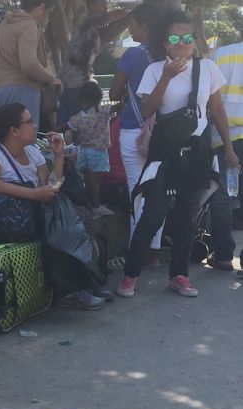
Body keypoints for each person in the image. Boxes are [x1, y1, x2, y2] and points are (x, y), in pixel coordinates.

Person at [117, 10, 240, 298]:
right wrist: (167, 76)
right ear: (165, 43)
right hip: (165, 150)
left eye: (188, 37)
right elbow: (146, 110)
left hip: (196, 150)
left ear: (196, 41)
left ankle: (179, 275)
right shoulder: (155, 70)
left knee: (187, 217)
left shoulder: (208, 68)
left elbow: (218, 111)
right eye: (175, 38)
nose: (182, 42)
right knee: (153, 214)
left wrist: (230, 148)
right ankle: (130, 274)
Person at [0, 103, 106, 309]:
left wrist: (59, 155)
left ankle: (87, 282)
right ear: (14, 130)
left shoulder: (33, 153)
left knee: (79, 216)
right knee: (58, 228)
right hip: (3, 220)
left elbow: (50, 186)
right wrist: (33, 194)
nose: (35, 126)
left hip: (27, 215)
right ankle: (70, 291)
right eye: (28, 122)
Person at [109, 2, 163, 267]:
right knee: (158, 192)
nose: (129, 29)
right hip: (162, 132)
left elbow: (115, 92)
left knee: (137, 191)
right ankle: (153, 251)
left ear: (146, 26)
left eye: (132, 24)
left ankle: (137, 249)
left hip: (134, 129)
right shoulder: (168, 54)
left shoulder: (133, 55)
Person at [0, 0, 63, 128]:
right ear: (41, 7)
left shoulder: (4, 24)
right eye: (47, 13)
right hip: (22, 91)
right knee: (25, 143)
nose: (45, 18)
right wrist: (52, 79)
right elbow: (29, 64)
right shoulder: (28, 26)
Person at [57, 0, 130, 128]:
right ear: (90, 6)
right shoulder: (89, 21)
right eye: (101, 3)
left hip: (69, 79)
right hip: (75, 80)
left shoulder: (91, 29)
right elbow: (110, 17)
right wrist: (128, 15)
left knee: (66, 122)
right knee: (83, 122)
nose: (105, 7)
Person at [207, 31, 243, 271]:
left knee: (223, 198)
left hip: (225, 138)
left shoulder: (221, 54)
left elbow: (209, 98)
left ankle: (222, 256)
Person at [66, 81, 114, 218]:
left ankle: (91, 203)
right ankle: (96, 206)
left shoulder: (79, 117)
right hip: (97, 151)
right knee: (95, 180)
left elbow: (68, 126)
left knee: (88, 178)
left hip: (84, 151)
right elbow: (118, 107)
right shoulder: (103, 111)